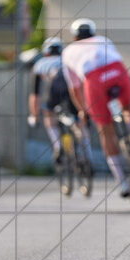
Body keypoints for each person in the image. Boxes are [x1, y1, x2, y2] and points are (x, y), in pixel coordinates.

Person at [61, 18, 130, 198]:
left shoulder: (68, 52)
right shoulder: (104, 40)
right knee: (129, 107)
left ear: (74, 37)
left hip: (94, 80)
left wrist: (84, 110)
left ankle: (122, 182)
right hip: (117, 72)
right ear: (93, 32)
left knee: (106, 130)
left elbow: (74, 89)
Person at [28, 37, 90, 165]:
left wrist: (34, 116)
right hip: (71, 88)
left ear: (46, 52)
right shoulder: (67, 60)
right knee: (79, 119)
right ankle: (85, 154)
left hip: (54, 89)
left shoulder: (40, 64)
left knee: (49, 116)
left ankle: (58, 146)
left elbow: (35, 94)